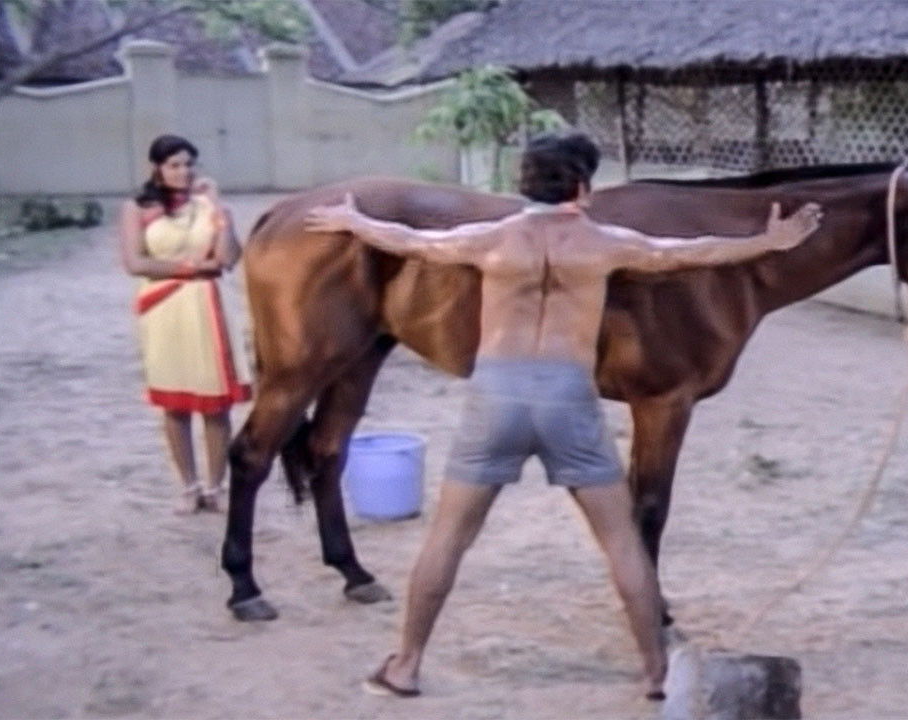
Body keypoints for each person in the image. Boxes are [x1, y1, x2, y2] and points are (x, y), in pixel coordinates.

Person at [304, 131, 822, 700]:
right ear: (582, 187)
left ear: (524, 185)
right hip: (568, 399)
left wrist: (355, 221)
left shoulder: (491, 239)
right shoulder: (606, 244)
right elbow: (689, 252)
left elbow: (413, 241)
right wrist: (769, 241)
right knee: (621, 541)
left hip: (497, 398)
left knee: (447, 538)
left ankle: (405, 666)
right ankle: (655, 673)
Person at [118, 134, 251, 514]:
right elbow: (136, 263)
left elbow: (228, 258)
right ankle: (189, 486)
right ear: (157, 168)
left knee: (215, 404)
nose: (183, 172)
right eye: (174, 165)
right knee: (174, 403)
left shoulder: (207, 207)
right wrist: (193, 267)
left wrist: (218, 208)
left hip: (207, 306)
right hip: (164, 309)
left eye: (189, 164)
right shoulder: (137, 208)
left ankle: (216, 486)